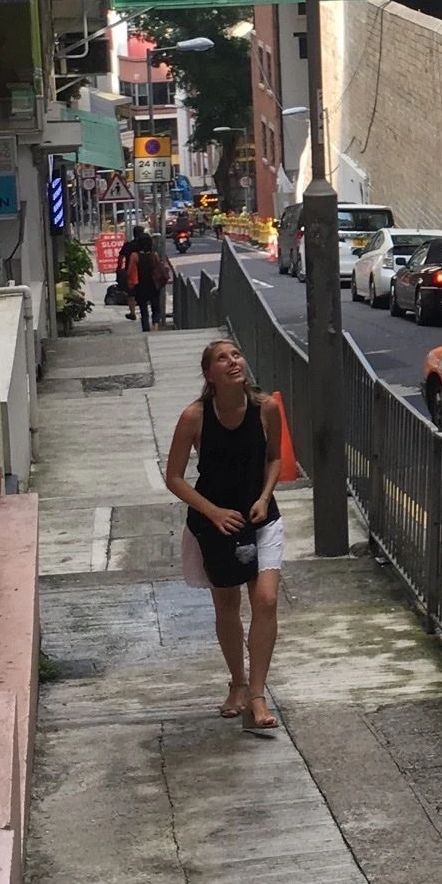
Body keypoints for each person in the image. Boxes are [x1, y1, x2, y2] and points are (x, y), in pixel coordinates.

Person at [164, 337, 285, 732]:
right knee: (227, 605)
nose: (233, 361)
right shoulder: (195, 417)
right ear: (209, 373)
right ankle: (236, 681)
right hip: (216, 523)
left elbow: (275, 458)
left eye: (236, 354)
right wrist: (212, 512)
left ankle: (257, 694)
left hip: (261, 517)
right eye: (222, 358)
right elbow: (175, 477)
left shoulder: (266, 408)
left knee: (265, 600)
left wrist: (265, 497)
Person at [125, 225, 168, 331]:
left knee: (143, 309)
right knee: (155, 306)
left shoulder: (134, 256)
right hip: (153, 284)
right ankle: (155, 324)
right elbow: (159, 267)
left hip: (140, 285)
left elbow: (130, 271)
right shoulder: (154, 255)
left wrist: (129, 282)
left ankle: (146, 328)